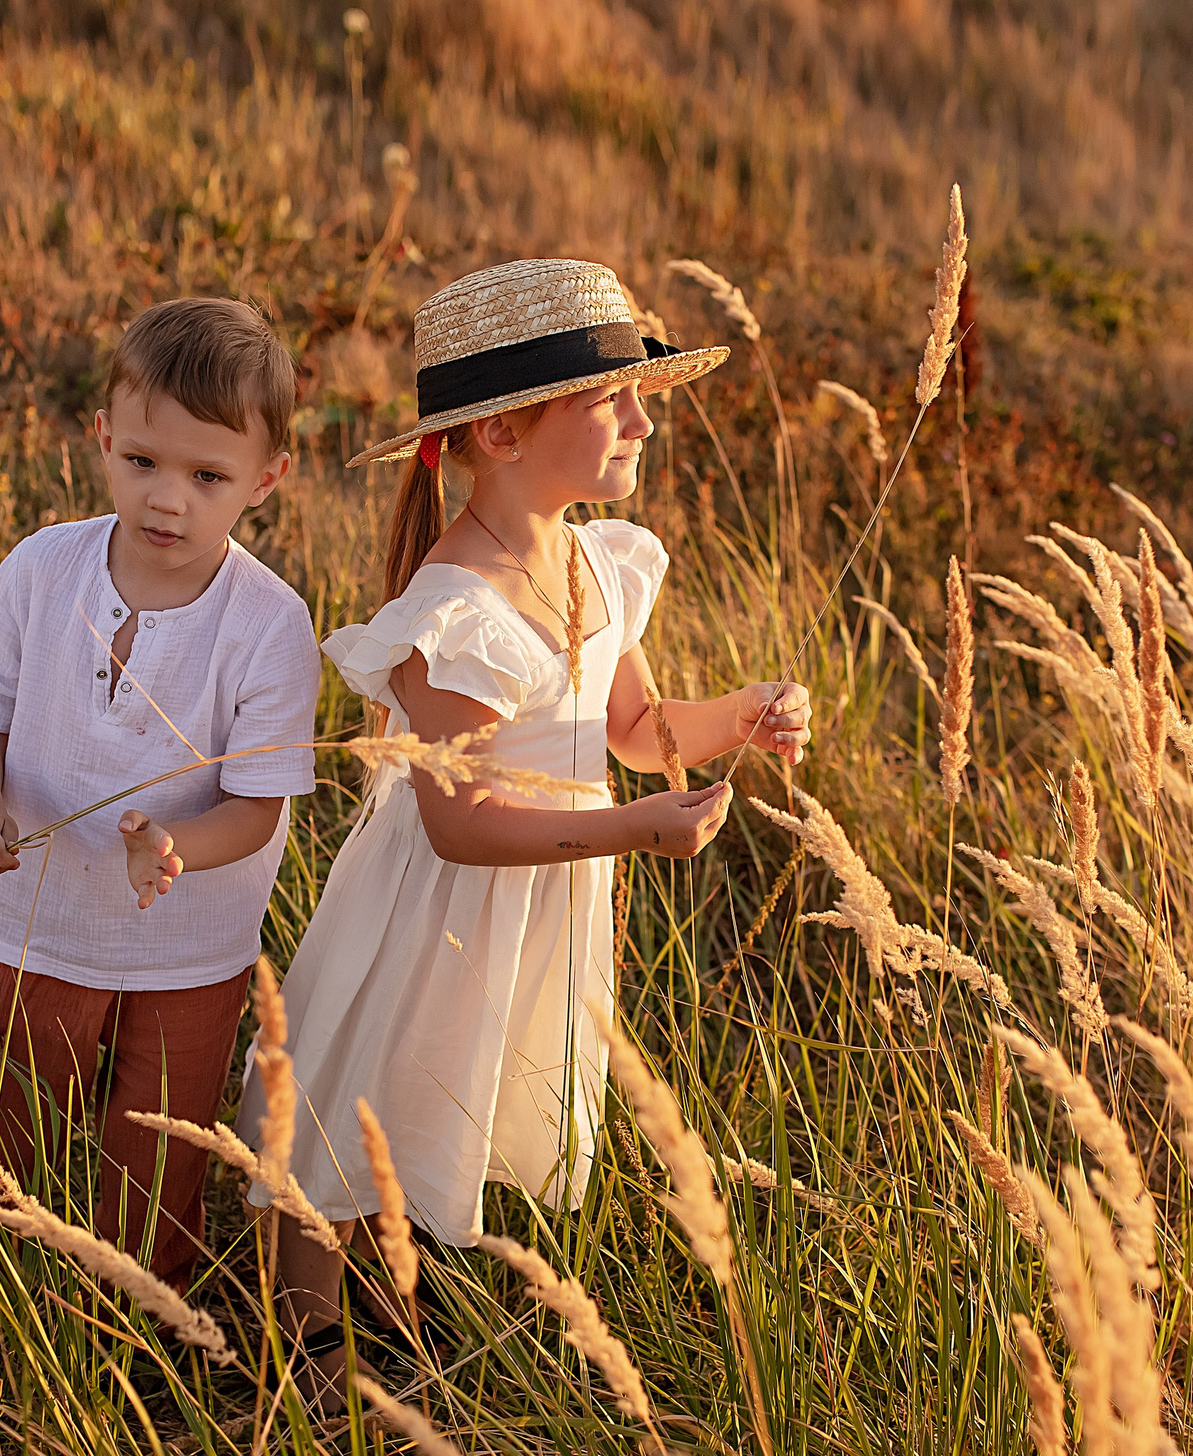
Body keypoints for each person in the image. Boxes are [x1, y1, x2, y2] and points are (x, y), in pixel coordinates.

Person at [239, 258, 810, 1365]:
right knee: (361, 1096)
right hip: (439, 905)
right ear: (501, 433)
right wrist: (634, 830)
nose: (644, 423)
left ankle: (390, 1307)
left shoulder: (593, 562)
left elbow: (633, 729)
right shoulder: (458, 609)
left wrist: (740, 716)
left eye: (642, 397)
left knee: (441, 1090)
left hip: (540, 890)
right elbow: (459, 826)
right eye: (614, 401)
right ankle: (304, 1345)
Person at [0, 296, 321, 1283]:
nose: (167, 500)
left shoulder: (268, 624)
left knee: (159, 1145)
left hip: (189, 943)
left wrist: (178, 848)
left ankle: (139, 1309)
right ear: (104, 437)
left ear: (266, 479)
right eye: (143, 461)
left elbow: (257, 806)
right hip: (37, 918)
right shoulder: (43, 569)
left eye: (207, 476)